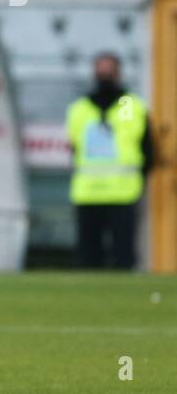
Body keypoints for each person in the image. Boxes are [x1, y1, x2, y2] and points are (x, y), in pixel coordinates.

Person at [66, 52, 154, 269]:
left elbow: (147, 149)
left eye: (109, 69)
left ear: (118, 73)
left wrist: (139, 178)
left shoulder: (129, 105)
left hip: (122, 192)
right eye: (101, 69)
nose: (104, 74)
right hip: (88, 192)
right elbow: (74, 147)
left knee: (123, 254)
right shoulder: (80, 108)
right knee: (89, 255)